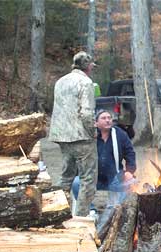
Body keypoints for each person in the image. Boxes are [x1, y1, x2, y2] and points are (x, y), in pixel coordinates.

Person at [49, 51, 97, 216]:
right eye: (91, 66)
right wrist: (93, 131)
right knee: (88, 179)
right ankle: (81, 218)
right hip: (82, 136)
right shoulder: (86, 82)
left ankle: (59, 214)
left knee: (66, 177)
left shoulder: (60, 82)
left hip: (62, 136)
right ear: (88, 66)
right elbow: (86, 113)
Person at [72, 110, 137, 209]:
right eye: (103, 118)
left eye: (109, 118)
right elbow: (79, 155)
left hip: (115, 176)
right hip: (93, 177)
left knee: (131, 182)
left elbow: (130, 153)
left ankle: (114, 211)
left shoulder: (120, 134)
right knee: (76, 183)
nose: (107, 120)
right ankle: (90, 210)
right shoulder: (90, 136)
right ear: (96, 123)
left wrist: (129, 171)